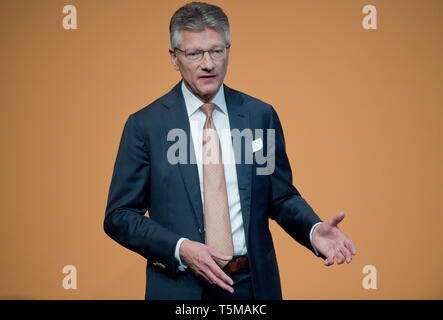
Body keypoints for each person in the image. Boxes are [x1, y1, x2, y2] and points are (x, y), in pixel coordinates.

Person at [104, 1, 357, 300]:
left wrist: (313, 229)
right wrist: (180, 249)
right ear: (174, 58)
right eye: (194, 53)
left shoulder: (259, 115)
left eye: (216, 51)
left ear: (228, 50)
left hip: (252, 287)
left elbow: (281, 196)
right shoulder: (145, 125)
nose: (208, 63)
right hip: (180, 288)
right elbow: (119, 215)